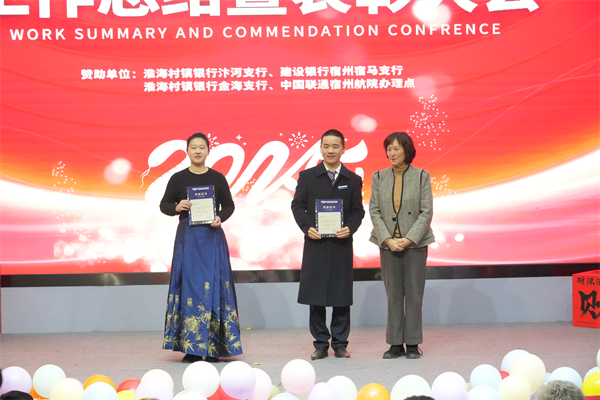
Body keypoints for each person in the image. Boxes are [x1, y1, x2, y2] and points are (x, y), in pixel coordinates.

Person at [160, 132, 242, 363]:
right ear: (187, 151)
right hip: (188, 240)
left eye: (202, 147)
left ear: (208, 151)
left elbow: (229, 205)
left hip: (212, 238)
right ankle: (192, 348)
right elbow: (164, 205)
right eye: (193, 147)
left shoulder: (217, 178)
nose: (197, 151)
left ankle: (214, 347)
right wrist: (177, 207)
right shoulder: (177, 178)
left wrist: (220, 217)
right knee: (190, 289)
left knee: (215, 288)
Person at [291, 129, 365, 360]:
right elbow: (297, 206)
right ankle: (321, 344)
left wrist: (350, 227)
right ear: (320, 148)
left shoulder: (353, 180)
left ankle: (340, 344)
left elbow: (358, 211)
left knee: (341, 296)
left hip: (341, 245)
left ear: (343, 149)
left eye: (335, 146)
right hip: (315, 244)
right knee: (316, 297)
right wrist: (307, 227)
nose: (330, 150)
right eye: (326, 146)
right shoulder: (307, 177)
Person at [369, 132, 435, 360]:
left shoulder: (422, 176)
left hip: (415, 245)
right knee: (393, 296)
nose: (392, 153)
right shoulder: (378, 176)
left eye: (396, 148)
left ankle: (413, 343)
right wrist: (387, 239)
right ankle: (395, 344)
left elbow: (426, 212)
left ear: (407, 150)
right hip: (388, 245)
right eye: (388, 149)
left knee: (414, 295)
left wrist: (408, 239)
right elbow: (374, 211)